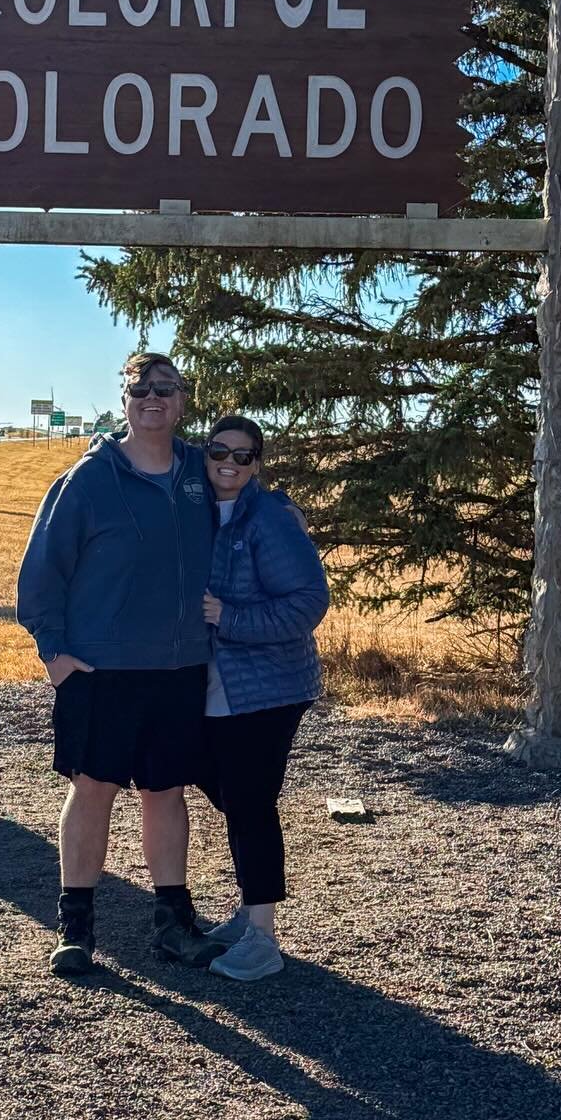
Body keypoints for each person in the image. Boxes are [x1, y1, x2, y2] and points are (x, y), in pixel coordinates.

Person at [17, 352, 224, 976]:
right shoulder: (88, 479)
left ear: (183, 400)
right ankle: (76, 927)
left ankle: (172, 924)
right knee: (94, 789)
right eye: (140, 389)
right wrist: (53, 653)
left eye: (165, 388)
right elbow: (42, 571)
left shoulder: (201, 472)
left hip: (180, 666)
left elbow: (251, 517)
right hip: (101, 669)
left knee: (166, 792)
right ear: (125, 399)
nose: (152, 398)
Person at [196, 415, 329, 982]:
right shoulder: (198, 508)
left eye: (244, 455)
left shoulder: (269, 519)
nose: (229, 462)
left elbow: (307, 603)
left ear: (258, 463)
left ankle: (263, 936)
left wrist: (231, 617)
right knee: (218, 783)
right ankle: (251, 909)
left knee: (249, 801)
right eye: (219, 450)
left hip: (271, 686)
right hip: (219, 683)